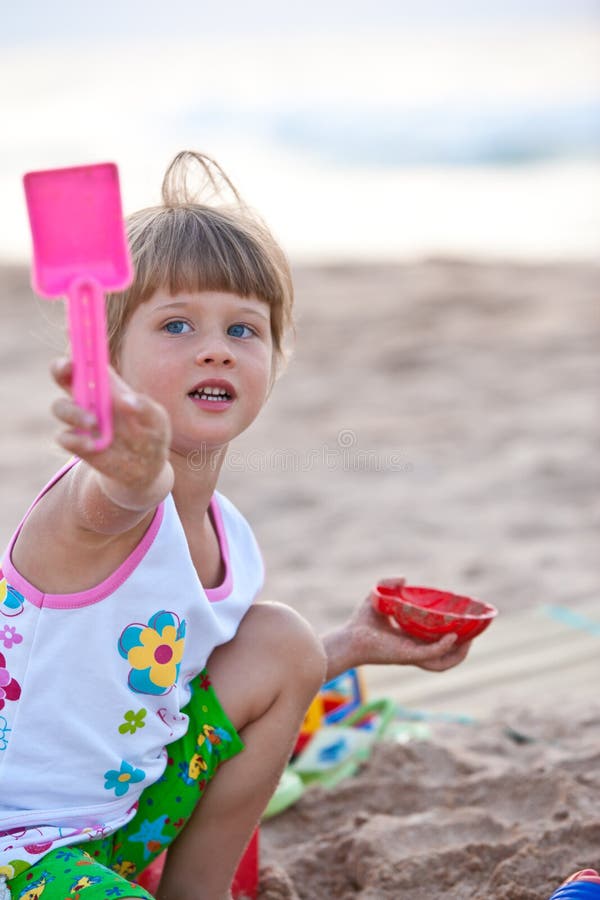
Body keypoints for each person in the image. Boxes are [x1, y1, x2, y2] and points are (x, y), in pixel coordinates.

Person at [0, 151, 470, 900]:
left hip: (113, 825)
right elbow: (122, 494)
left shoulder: (230, 536)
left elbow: (176, 683)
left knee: (282, 641)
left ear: (274, 364)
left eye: (243, 330)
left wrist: (346, 649)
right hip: (15, 851)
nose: (215, 347)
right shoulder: (94, 507)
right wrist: (128, 462)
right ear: (109, 361)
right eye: (177, 324)